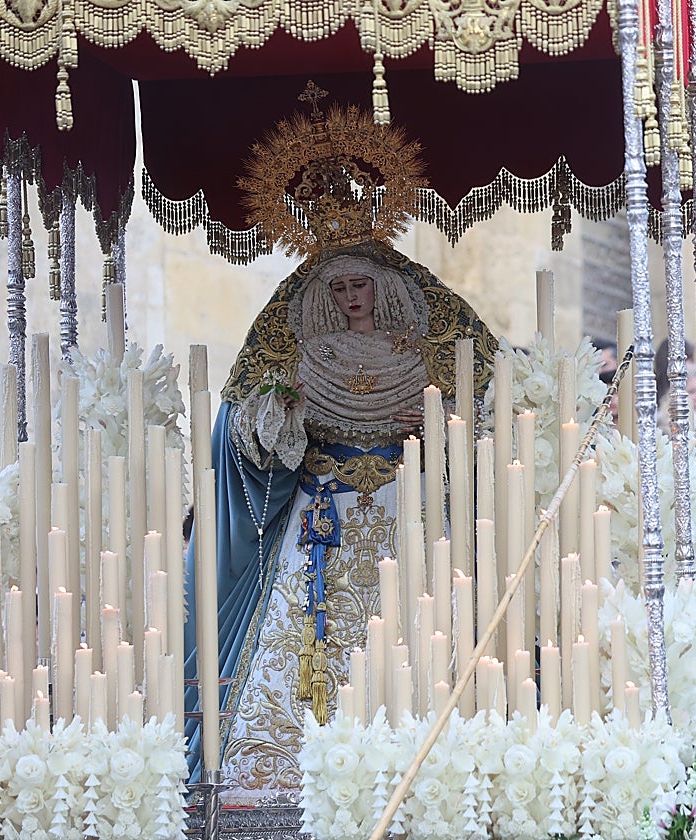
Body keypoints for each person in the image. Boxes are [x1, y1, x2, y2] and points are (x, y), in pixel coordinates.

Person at [185, 241, 495, 796]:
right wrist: (280, 414)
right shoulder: (311, 358)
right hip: (322, 515)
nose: (351, 297)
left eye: (360, 285)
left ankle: (420, 759)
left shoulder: (417, 355)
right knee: (304, 640)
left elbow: (486, 427)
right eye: (339, 288)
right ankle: (285, 767)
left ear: (384, 287)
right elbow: (245, 436)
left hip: (408, 514)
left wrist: (436, 423)